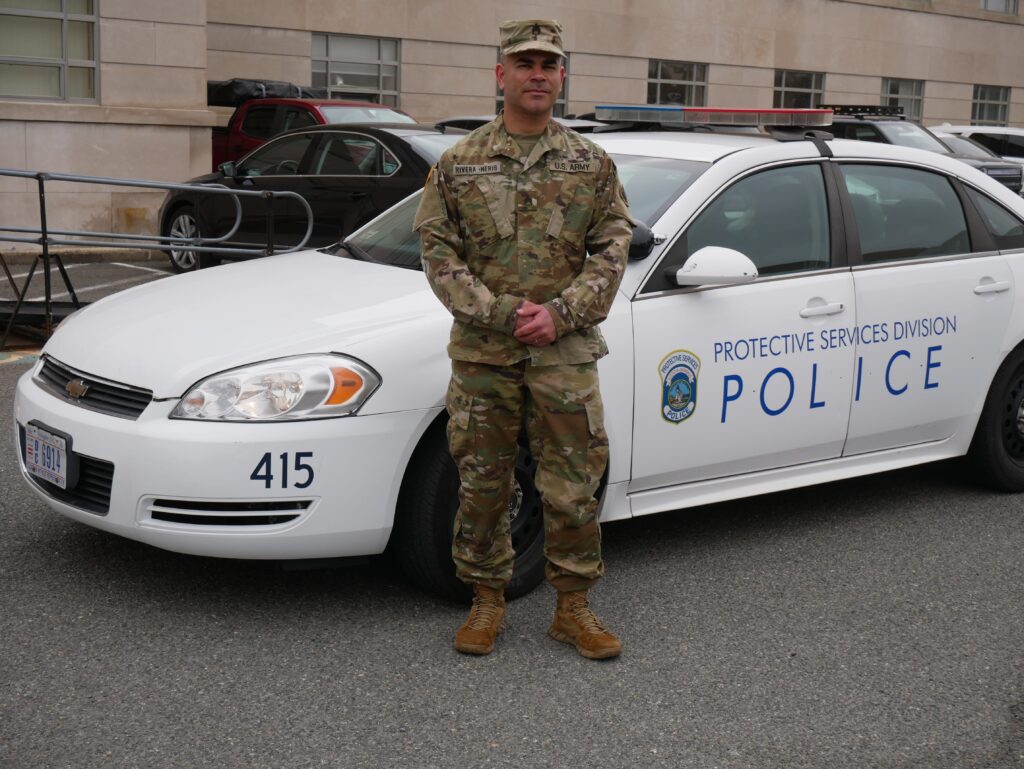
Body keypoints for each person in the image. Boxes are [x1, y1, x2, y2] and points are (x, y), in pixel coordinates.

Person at [413, 18, 634, 660]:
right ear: (500, 74)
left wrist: (561, 314)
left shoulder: (591, 163)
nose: (538, 73)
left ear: (561, 76)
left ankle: (573, 607)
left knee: (572, 483)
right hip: (486, 354)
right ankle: (487, 599)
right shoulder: (461, 162)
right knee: (483, 480)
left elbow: (612, 250)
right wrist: (503, 312)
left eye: (550, 64)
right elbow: (437, 252)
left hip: (563, 354)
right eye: (525, 62)